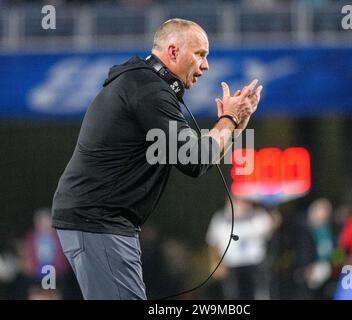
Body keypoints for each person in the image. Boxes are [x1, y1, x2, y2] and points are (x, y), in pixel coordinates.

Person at [51, 18, 263, 300]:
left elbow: (199, 159)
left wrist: (234, 124)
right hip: (97, 220)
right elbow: (195, 160)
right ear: (173, 51)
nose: (206, 65)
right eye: (200, 54)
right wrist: (229, 118)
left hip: (99, 221)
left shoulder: (143, 84)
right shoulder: (148, 89)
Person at [206, 197, 280, 299]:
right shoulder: (220, 219)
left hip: (256, 265)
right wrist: (216, 262)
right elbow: (213, 242)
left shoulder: (258, 215)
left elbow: (272, 225)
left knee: (260, 295)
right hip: (232, 266)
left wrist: (274, 213)